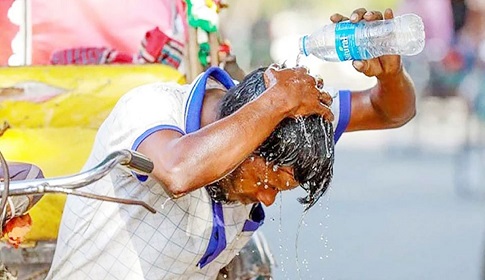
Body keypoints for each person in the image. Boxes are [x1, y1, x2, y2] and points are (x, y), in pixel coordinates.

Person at [46, 8, 416, 280]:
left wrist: (391, 73)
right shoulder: (150, 108)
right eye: (269, 182)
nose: (269, 199)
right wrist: (275, 102)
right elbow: (178, 172)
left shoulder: (289, 123)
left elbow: (391, 112)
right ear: (249, 136)